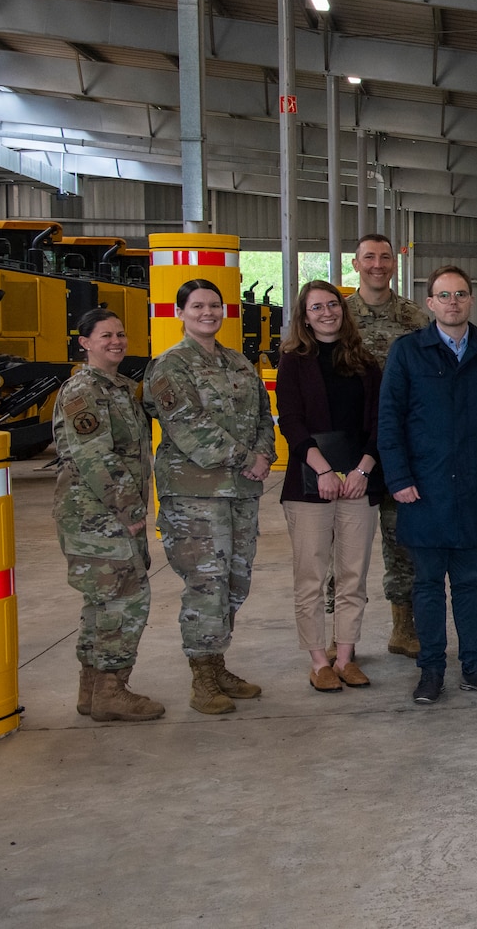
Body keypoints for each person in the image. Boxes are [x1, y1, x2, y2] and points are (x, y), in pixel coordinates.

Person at [378, 265, 477, 705]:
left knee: (470, 584)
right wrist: (399, 479)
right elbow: (390, 421)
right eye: (444, 295)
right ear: (430, 303)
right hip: (424, 490)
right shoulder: (407, 353)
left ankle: (476, 668)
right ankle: (431, 672)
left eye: (460, 294)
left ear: (471, 300)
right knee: (426, 586)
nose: (453, 302)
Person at [144, 279, 275, 715]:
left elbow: (262, 415)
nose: (208, 313)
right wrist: (246, 458)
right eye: (197, 306)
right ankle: (202, 676)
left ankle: (218, 663)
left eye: (215, 306)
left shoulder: (239, 363)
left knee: (236, 581)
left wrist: (264, 454)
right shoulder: (169, 366)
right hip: (194, 495)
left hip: (240, 492)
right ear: (180, 312)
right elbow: (188, 426)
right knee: (206, 583)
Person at [53, 308, 163, 721]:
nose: (116, 341)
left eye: (120, 334)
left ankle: (92, 691)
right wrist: (131, 509)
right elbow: (93, 454)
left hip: (108, 516)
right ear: (84, 342)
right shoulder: (83, 391)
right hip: (97, 516)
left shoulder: (118, 387)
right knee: (127, 599)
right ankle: (112, 690)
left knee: (101, 602)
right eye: (105, 335)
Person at [275, 280, 383, 693]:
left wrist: (362, 470)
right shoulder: (293, 361)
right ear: (304, 316)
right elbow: (291, 421)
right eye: (316, 307)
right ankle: (318, 660)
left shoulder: (365, 362)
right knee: (311, 576)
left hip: (359, 480)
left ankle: (345, 656)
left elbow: (379, 422)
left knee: (353, 575)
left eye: (332, 304)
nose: (326, 312)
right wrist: (322, 471)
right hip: (308, 483)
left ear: (343, 308)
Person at [345, 232, 431, 659]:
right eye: (369, 257)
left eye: (384, 257)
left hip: (400, 445)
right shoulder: (336, 315)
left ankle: (403, 628)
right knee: (345, 547)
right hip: (350, 445)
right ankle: (343, 638)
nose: (377, 264)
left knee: (402, 541)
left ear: (393, 263)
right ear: (355, 263)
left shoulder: (414, 317)